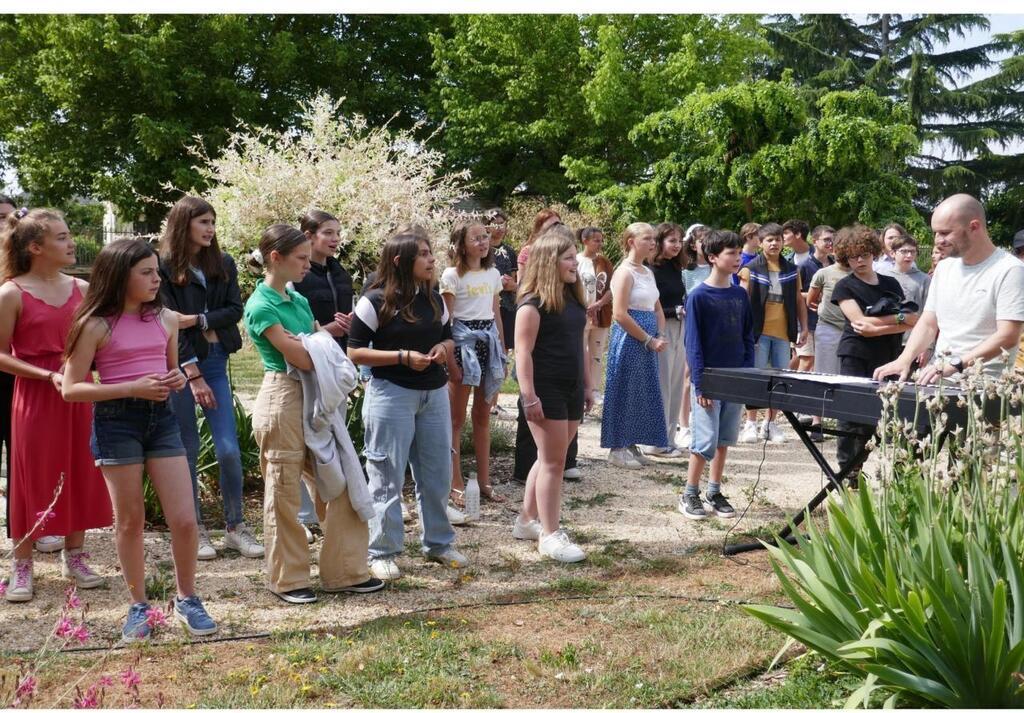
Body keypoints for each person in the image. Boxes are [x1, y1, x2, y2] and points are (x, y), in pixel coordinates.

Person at [62, 238, 216, 640]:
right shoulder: (94, 323)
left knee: (184, 519)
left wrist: (178, 379)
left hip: (161, 419)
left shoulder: (164, 318)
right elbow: (71, 388)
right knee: (130, 521)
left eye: (156, 271)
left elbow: (172, 372)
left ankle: (187, 597)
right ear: (119, 275)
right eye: (145, 272)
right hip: (117, 423)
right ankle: (138, 606)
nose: (156, 279)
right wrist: (131, 387)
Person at [243, 225, 382, 604]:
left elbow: (314, 343)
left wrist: (318, 339)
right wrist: (318, 343)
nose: (309, 265)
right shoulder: (261, 306)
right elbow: (303, 355)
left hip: (315, 396)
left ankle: (346, 571)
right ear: (276, 258)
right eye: (301, 259)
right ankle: (287, 579)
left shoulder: (298, 300)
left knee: (340, 479)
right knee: (284, 491)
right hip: (284, 399)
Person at [0, 208, 112, 602]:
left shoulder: (81, 289)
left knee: (80, 468)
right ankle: (23, 563)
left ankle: (75, 555)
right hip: (34, 395)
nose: (71, 243)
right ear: (36, 247)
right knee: (32, 476)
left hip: (78, 391)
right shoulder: (11, 293)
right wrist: (46, 374)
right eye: (62, 237)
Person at [348, 230, 468, 582]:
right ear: (400, 261)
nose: (433, 260)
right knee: (386, 475)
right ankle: (382, 551)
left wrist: (445, 349)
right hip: (391, 394)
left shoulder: (435, 299)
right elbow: (354, 350)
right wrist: (401, 357)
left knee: (437, 474)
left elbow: (447, 335)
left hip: (433, 395)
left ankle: (439, 544)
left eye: (431, 253)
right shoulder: (373, 301)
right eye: (425, 254)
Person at [158, 196, 262, 562]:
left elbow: (234, 310)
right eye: (203, 221)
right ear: (183, 223)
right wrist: (192, 373)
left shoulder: (224, 263)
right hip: (180, 367)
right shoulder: (163, 267)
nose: (210, 228)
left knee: (228, 448)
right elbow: (169, 323)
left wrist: (199, 319)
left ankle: (235, 527)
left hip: (217, 360)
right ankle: (197, 528)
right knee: (186, 450)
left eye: (212, 221)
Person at [875, 194, 1024, 384]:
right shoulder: (945, 267)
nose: (938, 240)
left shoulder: (1010, 270)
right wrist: (904, 359)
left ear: (974, 227)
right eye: (936, 233)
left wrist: (955, 365)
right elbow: (929, 322)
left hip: (985, 386)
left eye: (945, 233)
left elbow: (1008, 336)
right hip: (938, 380)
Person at [513, 226, 593, 562]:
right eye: (569, 258)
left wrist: (588, 385)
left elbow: (581, 345)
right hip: (545, 390)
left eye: (575, 257)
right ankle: (550, 534)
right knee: (553, 462)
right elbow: (522, 353)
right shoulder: (532, 305)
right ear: (550, 261)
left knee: (549, 459)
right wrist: (529, 396)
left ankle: (526, 521)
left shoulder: (574, 299)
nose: (576, 263)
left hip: (572, 387)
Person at [678, 230, 753, 520]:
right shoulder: (698, 297)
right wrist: (701, 384)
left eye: (738, 253)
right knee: (704, 441)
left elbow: (748, 335)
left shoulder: (740, 294)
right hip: (709, 378)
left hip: (736, 377)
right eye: (731, 253)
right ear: (712, 258)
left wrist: (747, 374)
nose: (737, 258)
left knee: (724, 438)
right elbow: (693, 344)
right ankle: (689, 492)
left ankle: (714, 490)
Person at [292, 209, 355, 543]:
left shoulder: (340, 272)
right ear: (308, 234)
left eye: (337, 233)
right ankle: (304, 516)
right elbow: (294, 328)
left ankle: (323, 516)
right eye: (328, 233)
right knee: (305, 440)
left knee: (331, 441)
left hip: (336, 367)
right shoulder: (298, 276)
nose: (334, 240)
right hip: (306, 365)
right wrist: (326, 331)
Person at [830, 225, 915, 472]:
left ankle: (896, 469)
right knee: (851, 414)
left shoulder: (891, 283)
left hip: (889, 356)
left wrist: (878, 328)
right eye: (853, 256)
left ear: (873, 253)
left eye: (864, 254)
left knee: (890, 412)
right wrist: (897, 320)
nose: (859, 260)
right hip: (856, 355)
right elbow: (859, 323)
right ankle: (849, 471)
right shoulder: (844, 286)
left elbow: (912, 320)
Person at [441, 220, 506, 507]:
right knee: (455, 419)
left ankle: (484, 481)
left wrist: (502, 350)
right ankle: (454, 483)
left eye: (486, 237)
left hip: (488, 343)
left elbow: (496, 314)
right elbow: (447, 320)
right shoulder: (451, 275)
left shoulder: (493, 273)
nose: (483, 242)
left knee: (483, 415)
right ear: (461, 243)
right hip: (463, 344)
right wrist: (450, 357)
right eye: (476, 237)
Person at [601, 222, 668, 467]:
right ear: (631, 241)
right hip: (631, 338)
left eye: (654, 239)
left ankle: (632, 442)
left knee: (642, 389)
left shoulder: (647, 272)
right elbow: (619, 313)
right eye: (647, 238)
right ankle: (616, 447)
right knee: (624, 387)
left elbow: (657, 307)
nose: (653, 243)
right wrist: (648, 339)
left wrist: (659, 334)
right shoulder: (624, 272)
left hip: (648, 338)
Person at [737, 222, 808, 444]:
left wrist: (803, 327)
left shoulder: (791, 270)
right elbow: (742, 300)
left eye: (778, 239)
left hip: (782, 333)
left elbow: (798, 300)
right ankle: (750, 423)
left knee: (779, 378)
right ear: (760, 242)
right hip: (758, 332)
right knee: (756, 377)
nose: (774, 243)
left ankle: (771, 423)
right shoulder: (750, 269)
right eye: (769, 239)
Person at [640, 222, 687, 458]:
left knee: (676, 384)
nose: (677, 245)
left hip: (680, 328)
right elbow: (649, 305)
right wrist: (674, 311)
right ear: (659, 242)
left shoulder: (676, 267)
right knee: (662, 385)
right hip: (661, 328)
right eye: (672, 240)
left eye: (679, 241)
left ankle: (668, 439)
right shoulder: (651, 269)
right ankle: (654, 441)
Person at [575, 227, 613, 408]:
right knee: (580, 351)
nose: (599, 243)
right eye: (596, 240)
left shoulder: (604, 262)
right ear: (585, 240)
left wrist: (598, 304)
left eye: (600, 240)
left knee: (596, 353)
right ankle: (581, 387)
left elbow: (612, 288)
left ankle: (595, 389)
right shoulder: (575, 260)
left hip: (601, 313)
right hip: (580, 313)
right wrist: (582, 307)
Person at [794, 225, 835, 374]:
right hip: (807, 321)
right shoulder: (804, 266)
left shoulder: (836, 265)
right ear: (815, 241)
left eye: (833, 240)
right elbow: (795, 295)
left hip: (828, 321)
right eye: (826, 240)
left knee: (819, 362)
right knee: (806, 360)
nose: (831, 243)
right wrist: (817, 295)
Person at [876, 233, 931, 344]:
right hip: (885, 337)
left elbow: (928, 313)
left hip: (912, 340)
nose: (909, 255)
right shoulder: (881, 276)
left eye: (912, 251)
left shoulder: (924, 279)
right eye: (904, 251)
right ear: (893, 253)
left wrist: (928, 345)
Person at [807, 250, 852, 377]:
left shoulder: (859, 274)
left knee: (849, 376)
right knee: (825, 375)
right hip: (828, 327)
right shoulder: (823, 273)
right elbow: (810, 301)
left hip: (853, 330)